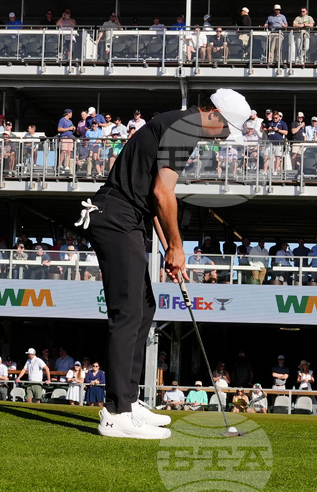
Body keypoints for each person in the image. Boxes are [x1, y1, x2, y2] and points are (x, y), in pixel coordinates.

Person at [79, 88, 251, 439]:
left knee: (144, 305)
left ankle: (129, 399)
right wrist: (176, 246)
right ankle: (116, 412)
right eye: (225, 129)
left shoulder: (176, 122)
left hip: (126, 217)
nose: (220, 138)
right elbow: (163, 193)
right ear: (215, 115)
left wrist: (170, 248)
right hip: (115, 217)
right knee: (127, 312)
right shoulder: (187, 127)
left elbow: (154, 199)